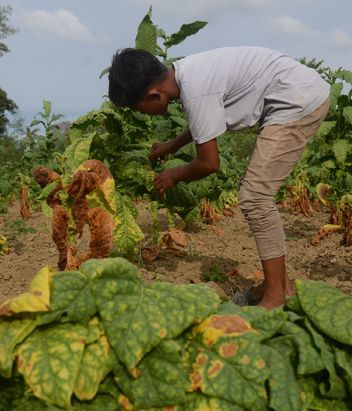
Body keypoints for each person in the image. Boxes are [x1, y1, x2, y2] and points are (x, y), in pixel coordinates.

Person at [107, 46, 330, 309]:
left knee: (255, 198)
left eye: (140, 109)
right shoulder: (186, 73)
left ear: (153, 94)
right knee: (255, 195)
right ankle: (278, 286)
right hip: (297, 91)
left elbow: (209, 164)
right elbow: (204, 117)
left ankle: (277, 295)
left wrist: (174, 175)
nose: (144, 114)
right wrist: (173, 145)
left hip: (297, 101)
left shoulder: (195, 89)